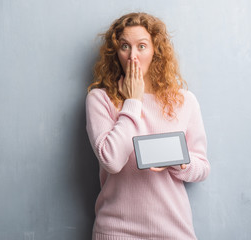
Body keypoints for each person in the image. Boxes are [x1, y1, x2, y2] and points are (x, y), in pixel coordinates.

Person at [85, 12, 210, 240]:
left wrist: (178, 162)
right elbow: (111, 160)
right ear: (116, 52)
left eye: (142, 46)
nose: (133, 56)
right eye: (125, 46)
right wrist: (133, 101)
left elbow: (202, 167)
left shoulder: (184, 101)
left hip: (174, 231)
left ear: (155, 50)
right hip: (116, 231)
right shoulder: (100, 99)